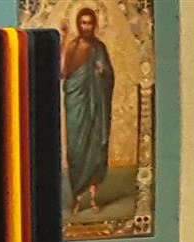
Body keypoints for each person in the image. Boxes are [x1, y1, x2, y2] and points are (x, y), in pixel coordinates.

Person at [62, 6, 114, 214]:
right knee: (76, 150)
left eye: (89, 23)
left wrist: (103, 73)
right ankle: (77, 198)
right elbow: (63, 73)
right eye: (82, 23)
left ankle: (93, 199)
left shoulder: (99, 48)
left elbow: (109, 75)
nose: (86, 27)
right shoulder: (73, 46)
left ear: (94, 25)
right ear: (78, 25)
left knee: (95, 149)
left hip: (95, 105)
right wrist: (63, 40)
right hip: (76, 104)